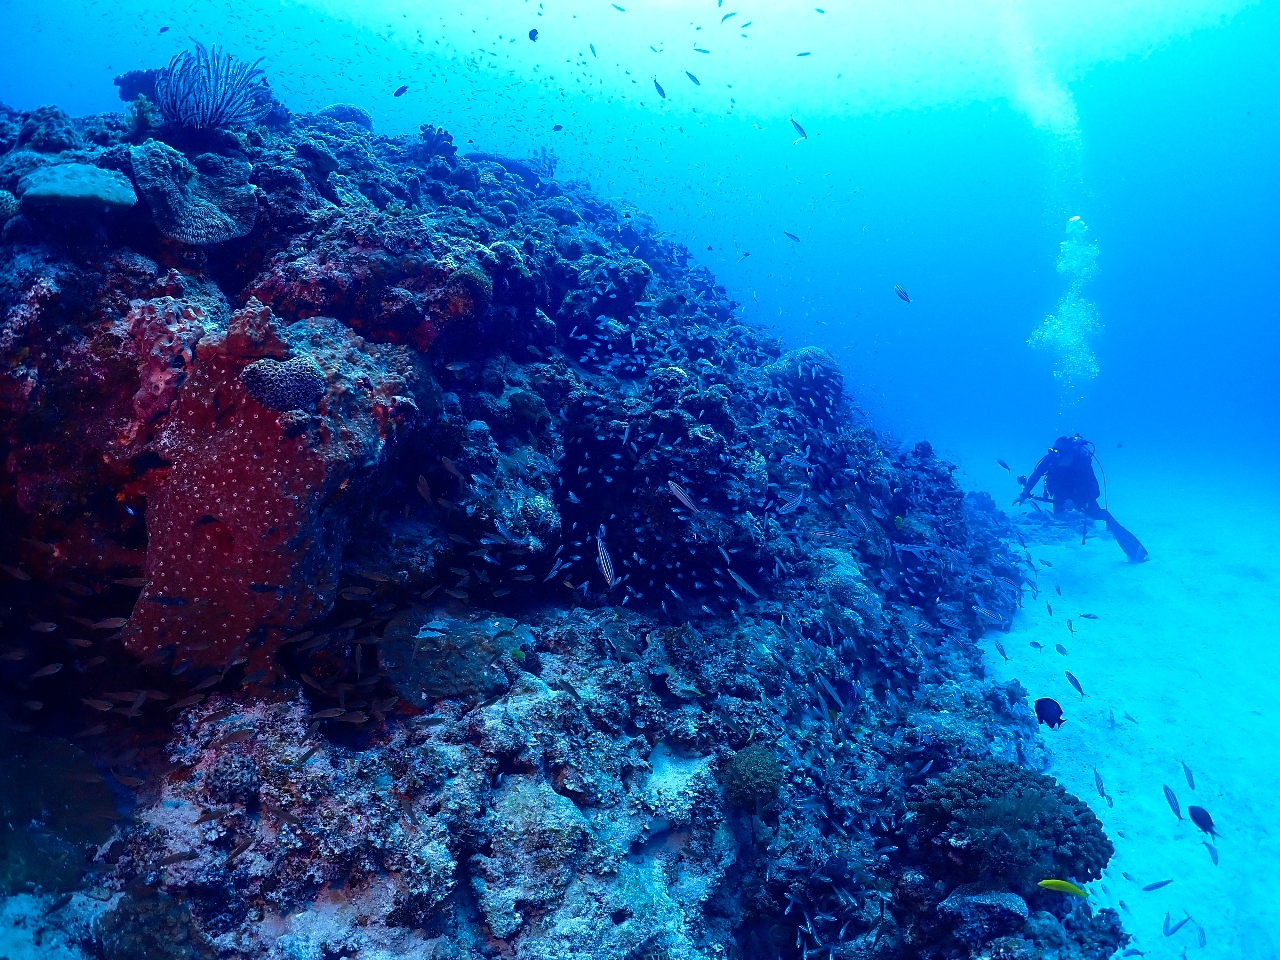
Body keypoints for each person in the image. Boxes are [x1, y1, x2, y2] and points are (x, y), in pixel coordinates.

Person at [1016, 434, 1148, 562]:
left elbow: (1095, 491)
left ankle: (1136, 552)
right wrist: (1024, 494)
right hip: (1061, 492)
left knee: (1099, 514)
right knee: (1058, 512)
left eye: (1059, 456)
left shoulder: (1082, 464)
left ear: (1070, 455)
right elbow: (1037, 474)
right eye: (1054, 454)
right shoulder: (1052, 459)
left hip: (1081, 495)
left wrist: (1076, 502)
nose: (1056, 459)